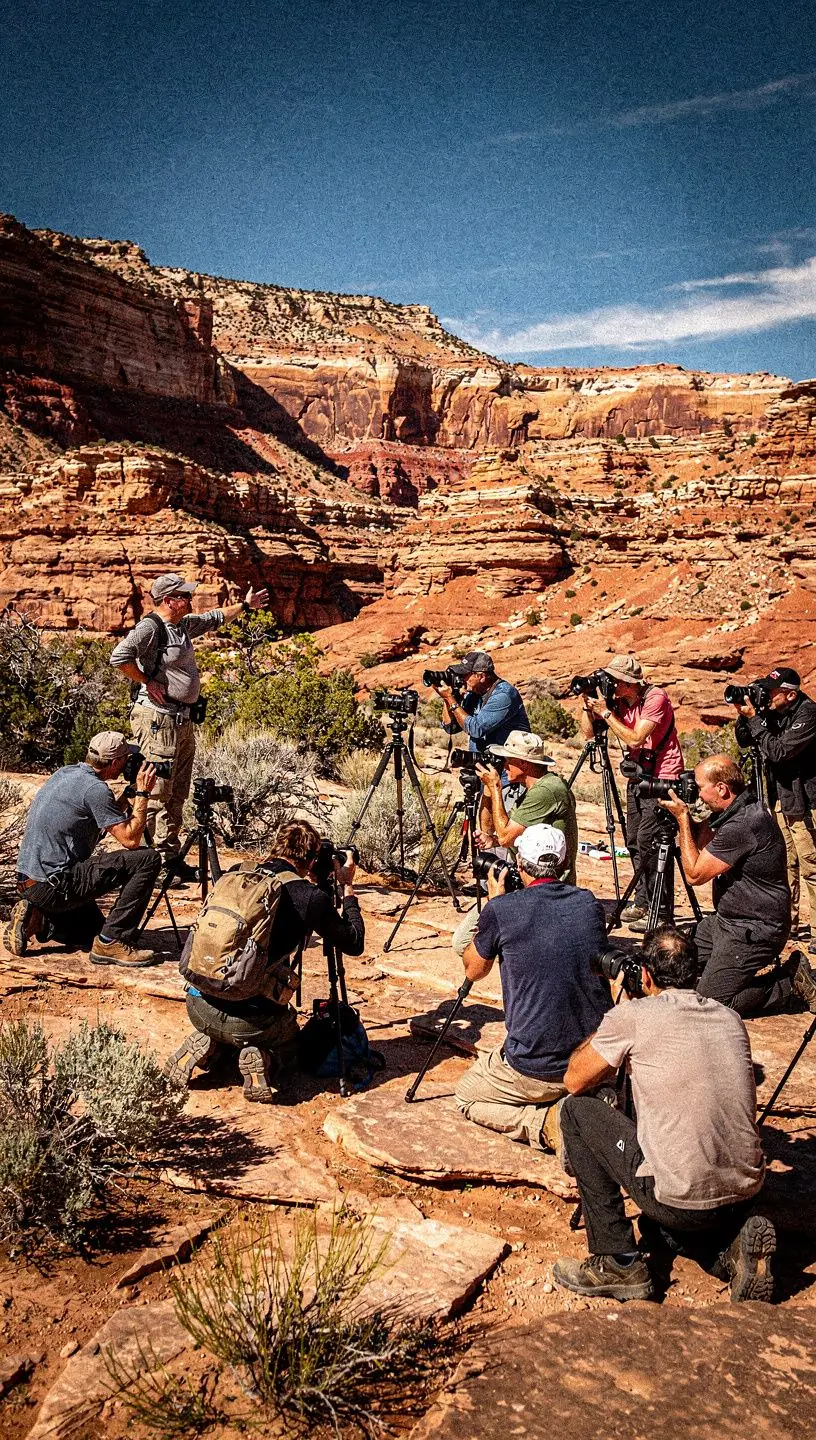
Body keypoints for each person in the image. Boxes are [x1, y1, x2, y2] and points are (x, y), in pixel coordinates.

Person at [552, 926, 775, 1304]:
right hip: (746, 1193)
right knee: (663, 1228)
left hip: (680, 1201)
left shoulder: (634, 1015)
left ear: (647, 975)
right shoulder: (728, 1017)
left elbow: (574, 1079)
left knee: (576, 1112)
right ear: (695, 974)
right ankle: (731, 1250)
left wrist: (620, 1009)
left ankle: (617, 1260)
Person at [166, 820, 365, 1103]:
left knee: (226, 1028)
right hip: (252, 1021)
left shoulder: (237, 874)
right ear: (311, 860)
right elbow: (354, 942)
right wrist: (346, 887)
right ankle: (265, 1059)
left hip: (199, 1004)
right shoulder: (309, 897)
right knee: (294, 1041)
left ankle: (210, 1047)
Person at [454, 824, 610, 1152]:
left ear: (520, 865)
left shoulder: (503, 910)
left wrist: (492, 906)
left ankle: (546, 1124)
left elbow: (474, 968)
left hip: (536, 1067)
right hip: (593, 1057)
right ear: (564, 865)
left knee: (466, 1096)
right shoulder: (589, 904)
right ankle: (592, 1099)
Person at [110, 573, 269, 875]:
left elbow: (215, 618)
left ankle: (170, 859)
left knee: (177, 791)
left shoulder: (182, 625)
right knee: (157, 790)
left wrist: (246, 606)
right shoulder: (150, 627)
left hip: (181, 719)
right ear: (169, 600)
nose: (190, 599)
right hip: (157, 720)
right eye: (184, 595)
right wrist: (146, 681)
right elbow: (119, 657)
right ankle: (150, 865)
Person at [658, 754, 816, 1016]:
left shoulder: (744, 823)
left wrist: (683, 821)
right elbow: (705, 848)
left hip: (755, 929)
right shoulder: (738, 809)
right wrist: (696, 819)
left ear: (721, 788)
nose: (695, 793)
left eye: (699, 787)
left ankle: (788, 981)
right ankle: (721, 972)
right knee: (670, 964)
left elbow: (695, 875)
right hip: (726, 922)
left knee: (711, 1005)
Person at [5, 731, 162, 968]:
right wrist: (142, 793)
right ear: (115, 763)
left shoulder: (66, 773)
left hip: (30, 881)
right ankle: (112, 942)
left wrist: (126, 796)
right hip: (55, 883)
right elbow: (130, 840)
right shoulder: (96, 790)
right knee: (147, 859)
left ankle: (38, 919)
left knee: (92, 932)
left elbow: (98, 817)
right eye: (126, 759)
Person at [579, 653, 683, 930]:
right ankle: (643, 901)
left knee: (653, 839)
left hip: (662, 776)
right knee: (635, 840)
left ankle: (661, 911)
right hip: (637, 776)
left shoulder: (655, 697)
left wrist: (604, 712)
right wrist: (587, 707)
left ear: (628, 682)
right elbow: (589, 734)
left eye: (614, 680)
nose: (610, 684)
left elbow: (637, 737)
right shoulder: (619, 702)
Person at [732, 666, 816, 953]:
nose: (766, 696)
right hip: (780, 798)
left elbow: (778, 751)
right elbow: (745, 740)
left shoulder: (808, 714)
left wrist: (756, 719)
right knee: (785, 864)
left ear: (790, 695)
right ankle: (787, 922)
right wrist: (745, 714)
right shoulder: (771, 711)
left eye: (772, 692)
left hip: (805, 802)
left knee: (811, 865)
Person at [475, 730, 579, 883]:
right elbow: (488, 828)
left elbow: (505, 838)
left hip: (550, 885)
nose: (504, 765)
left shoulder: (547, 791)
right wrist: (488, 790)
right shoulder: (532, 789)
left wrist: (496, 787)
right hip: (530, 878)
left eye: (508, 759)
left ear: (523, 763)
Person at [428, 651, 529, 754]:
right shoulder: (475, 694)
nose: (462, 678)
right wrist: (447, 698)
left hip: (509, 766)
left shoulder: (503, 695)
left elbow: (476, 729)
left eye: (465, 675)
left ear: (481, 677)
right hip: (482, 761)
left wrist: (450, 698)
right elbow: (451, 728)